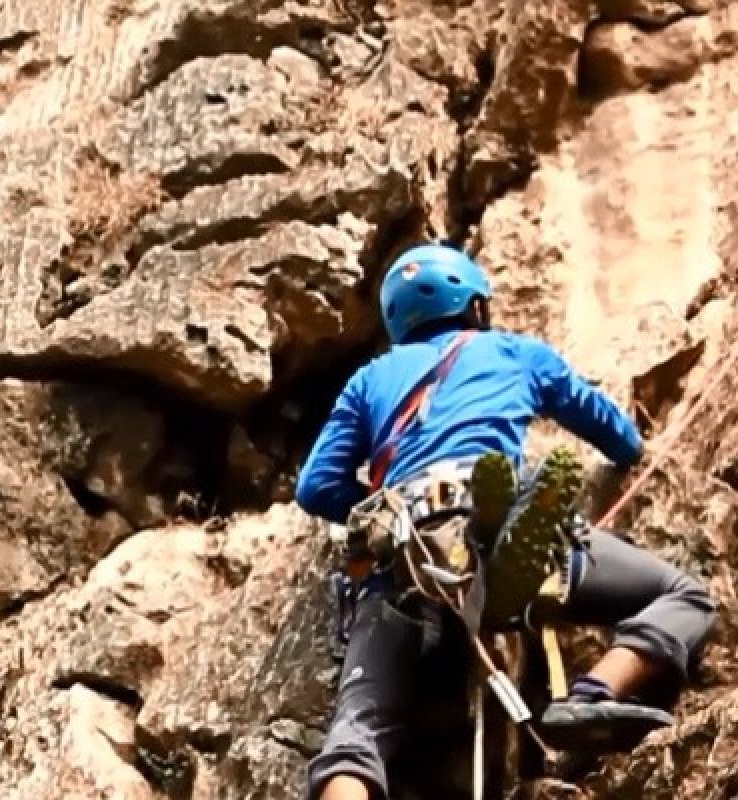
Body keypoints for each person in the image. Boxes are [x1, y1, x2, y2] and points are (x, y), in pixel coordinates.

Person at [294, 243, 717, 800]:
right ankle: (591, 694)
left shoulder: (370, 380)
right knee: (687, 595)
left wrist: (387, 506)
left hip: (409, 563)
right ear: (473, 307)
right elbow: (620, 436)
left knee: (355, 734)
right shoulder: (515, 352)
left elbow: (316, 486)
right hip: (499, 538)